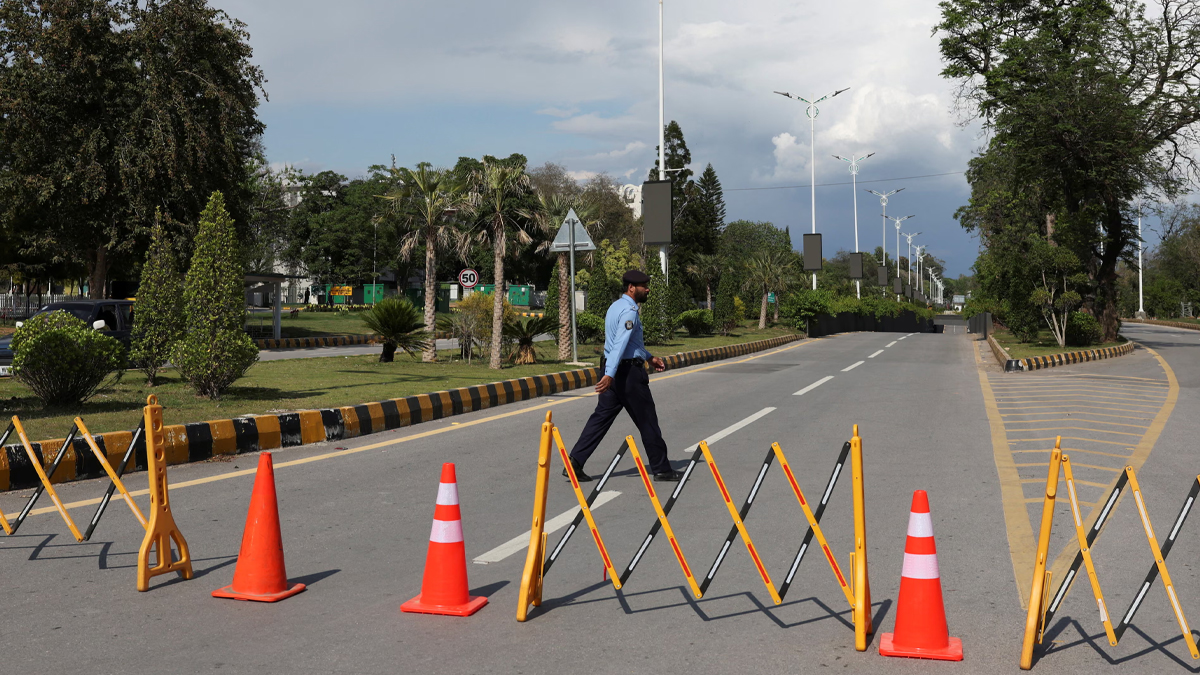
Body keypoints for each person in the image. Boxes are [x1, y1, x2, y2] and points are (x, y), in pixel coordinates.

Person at [563, 270, 684, 482]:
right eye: (643, 286)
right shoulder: (629, 312)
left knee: (600, 418)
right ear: (631, 288)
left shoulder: (615, 307)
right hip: (626, 374)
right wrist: (610, 374)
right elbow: (619, 344)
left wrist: (649, 357)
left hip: (615, 369)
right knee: (647, 419)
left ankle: (575, 462)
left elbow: (627, 343)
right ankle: (662, 469)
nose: (647, 289)